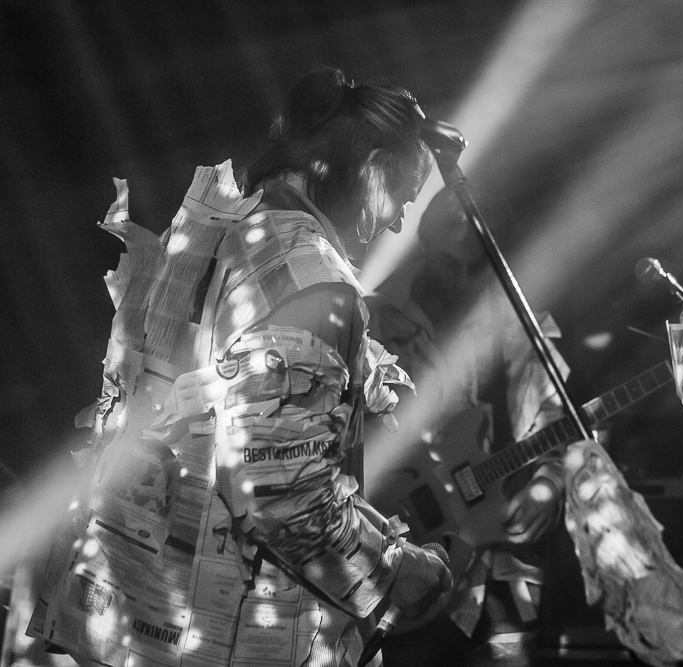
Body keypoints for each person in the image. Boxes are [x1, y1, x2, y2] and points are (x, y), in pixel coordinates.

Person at [29, 67, 450, 667]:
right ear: (373, 166)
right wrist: (398, 570)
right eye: (403, 197)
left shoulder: (211, 236)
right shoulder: (314, 277)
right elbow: (283, 494)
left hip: (130, 621)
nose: (399, 222)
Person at [364, 187, 568, 666]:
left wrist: (549, 482)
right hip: (403, 550)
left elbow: (555, 418)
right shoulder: (377, 315)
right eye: (447, 263)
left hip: (501, 557)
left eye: (474, 268)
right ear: (424, 247)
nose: (459, 280)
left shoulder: (523, 321)